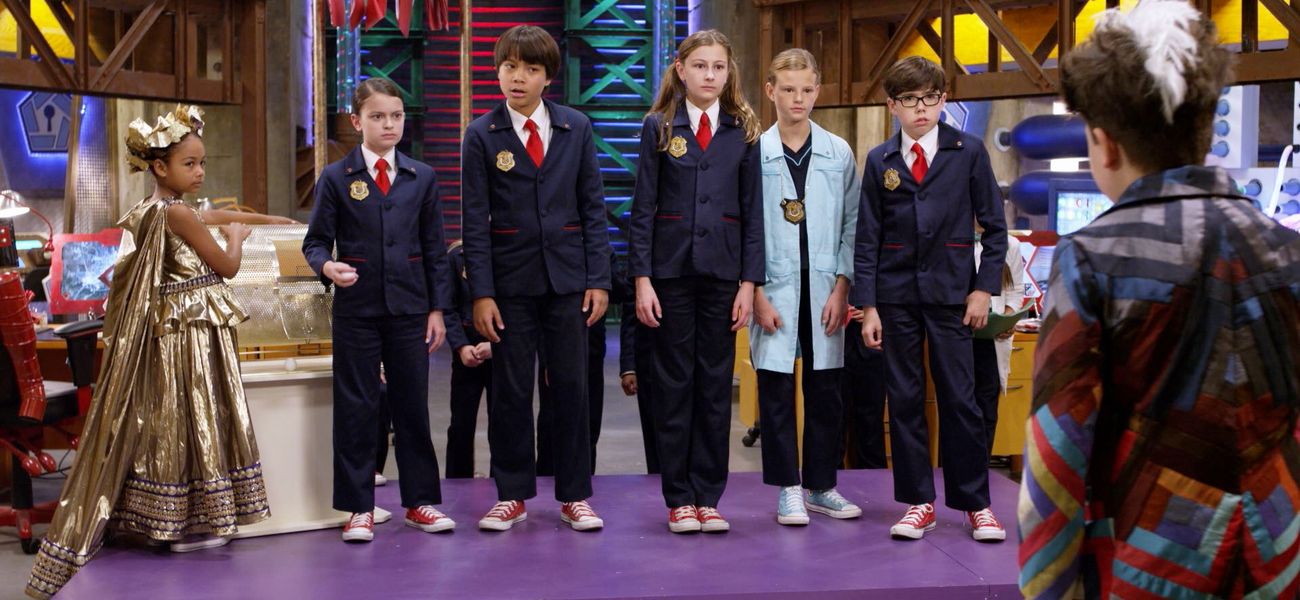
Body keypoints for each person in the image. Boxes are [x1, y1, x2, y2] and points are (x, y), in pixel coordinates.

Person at [1017, 2, 1300, 597]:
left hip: (1148, 567)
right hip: (1281, 566)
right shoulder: (1288, 252)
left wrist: (1049, 587)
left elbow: (1057, 459)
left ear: (1103, 143)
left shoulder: (1092, 258)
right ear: (1206, 127)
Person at [28, 106, 274, 598]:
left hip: (171, 335)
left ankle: (172, 517)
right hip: (190, 335)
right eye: (190, 164)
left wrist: (268, 219)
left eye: (202, 163)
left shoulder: (154, 209)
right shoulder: (177, 213)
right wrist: (236, 238)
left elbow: (208, 215)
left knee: (173, 423)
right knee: (197, 417)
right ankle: (197, 518)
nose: (200, 172)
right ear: (160, 167)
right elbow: (225, 266)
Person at [850, 55, 1008, 542]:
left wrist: (983, 289)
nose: (921, 108)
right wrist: (869, 306)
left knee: (961, 400)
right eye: (910, 100)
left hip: (953, 296)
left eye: (930, 98)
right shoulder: (880, 160)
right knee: (904, 400)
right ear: (892, 105)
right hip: (895, 297)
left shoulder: (969, 151)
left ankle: (976, 504)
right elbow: (867, 238)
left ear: (943, 99)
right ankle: (918, 502)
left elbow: (995, 229)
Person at [461, 25, 611, 532]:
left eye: (530, 68)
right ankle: (511, 494)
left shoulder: (576, 127)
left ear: (548, 77)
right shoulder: (481, 134)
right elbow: (473, 223)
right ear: (497, 71)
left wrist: (599, 279)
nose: (518, 77)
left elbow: (593, 207)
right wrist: (481, 293)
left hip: (569, 282)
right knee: (510, 391)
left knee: (571, 389)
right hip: (509, 286)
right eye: (510, 67)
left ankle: (575, 496)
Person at [303, 77, 454, 543]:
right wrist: (327, 266)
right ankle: (358, 508)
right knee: (357, 409)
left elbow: (435, 249)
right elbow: (314, 243)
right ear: (356, 121)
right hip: (357, 311)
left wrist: (437, 309)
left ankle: (420, 502)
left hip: (410, 309)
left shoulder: (422, 177)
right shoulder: (336, 178)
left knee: (412, 406)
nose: (389, 124)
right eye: (377, 116)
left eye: (396, 116)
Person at [629, 29, 764, 534]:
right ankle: (679, 497)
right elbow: (642, 207)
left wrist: (749, 283)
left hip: (724, 275)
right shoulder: (659, 126)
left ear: (729, 74)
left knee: (713, 386)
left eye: (719, 67)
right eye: (701, 65)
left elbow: (753, 214)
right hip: (670, 273)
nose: (710, 75)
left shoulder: (742, 129)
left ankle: (709, 496)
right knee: (674, 385)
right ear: (681, 69)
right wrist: (642, 278)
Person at [751, 48, 862, 526]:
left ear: (818, 91)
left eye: (807, 89)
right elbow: (746, 228)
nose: (798, 98)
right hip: (774, 286)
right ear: (770, 91)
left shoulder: (839, 152)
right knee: (775, 389)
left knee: (826, 389)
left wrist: (843, 286)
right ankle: (787, 488)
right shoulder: (753, 151)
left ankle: (821, 485)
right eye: (788, 89)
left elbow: (854, 222)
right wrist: (755, 292)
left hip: (824, 288)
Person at [441, 240, 492, 479]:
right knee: (461, 424)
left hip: (502, 348)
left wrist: (498, 346)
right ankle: (457, 483)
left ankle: (505, 486)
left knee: (504, 423)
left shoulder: (509, 253)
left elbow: (519, 308)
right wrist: (461, 346)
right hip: (466, 350)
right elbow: (447, 307)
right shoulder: (456, 256)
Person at [972, 231, 1023, 454]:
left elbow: (1016, 291)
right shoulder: (955, 237)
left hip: (991, 339)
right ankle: (953, 469)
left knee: (987, 410)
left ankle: (980, 468)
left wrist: (1008, 318)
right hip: (959, 338)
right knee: (958, 407)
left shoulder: (1009, 244)